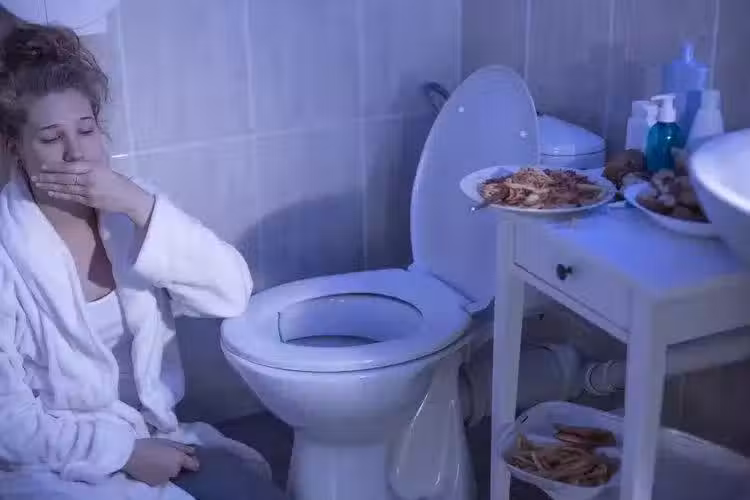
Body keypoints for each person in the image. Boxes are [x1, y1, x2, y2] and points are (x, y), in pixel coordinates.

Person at [0, 22, 286, 500]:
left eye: (86, 130)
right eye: (51, 138)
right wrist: (123, 453)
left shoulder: (131, 209)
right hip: (58, 464)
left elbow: (232, 292)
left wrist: (140, 206)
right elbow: (8, 424)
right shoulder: (6, 253)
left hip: (158, 437)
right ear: (16, 149)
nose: (76, 152)